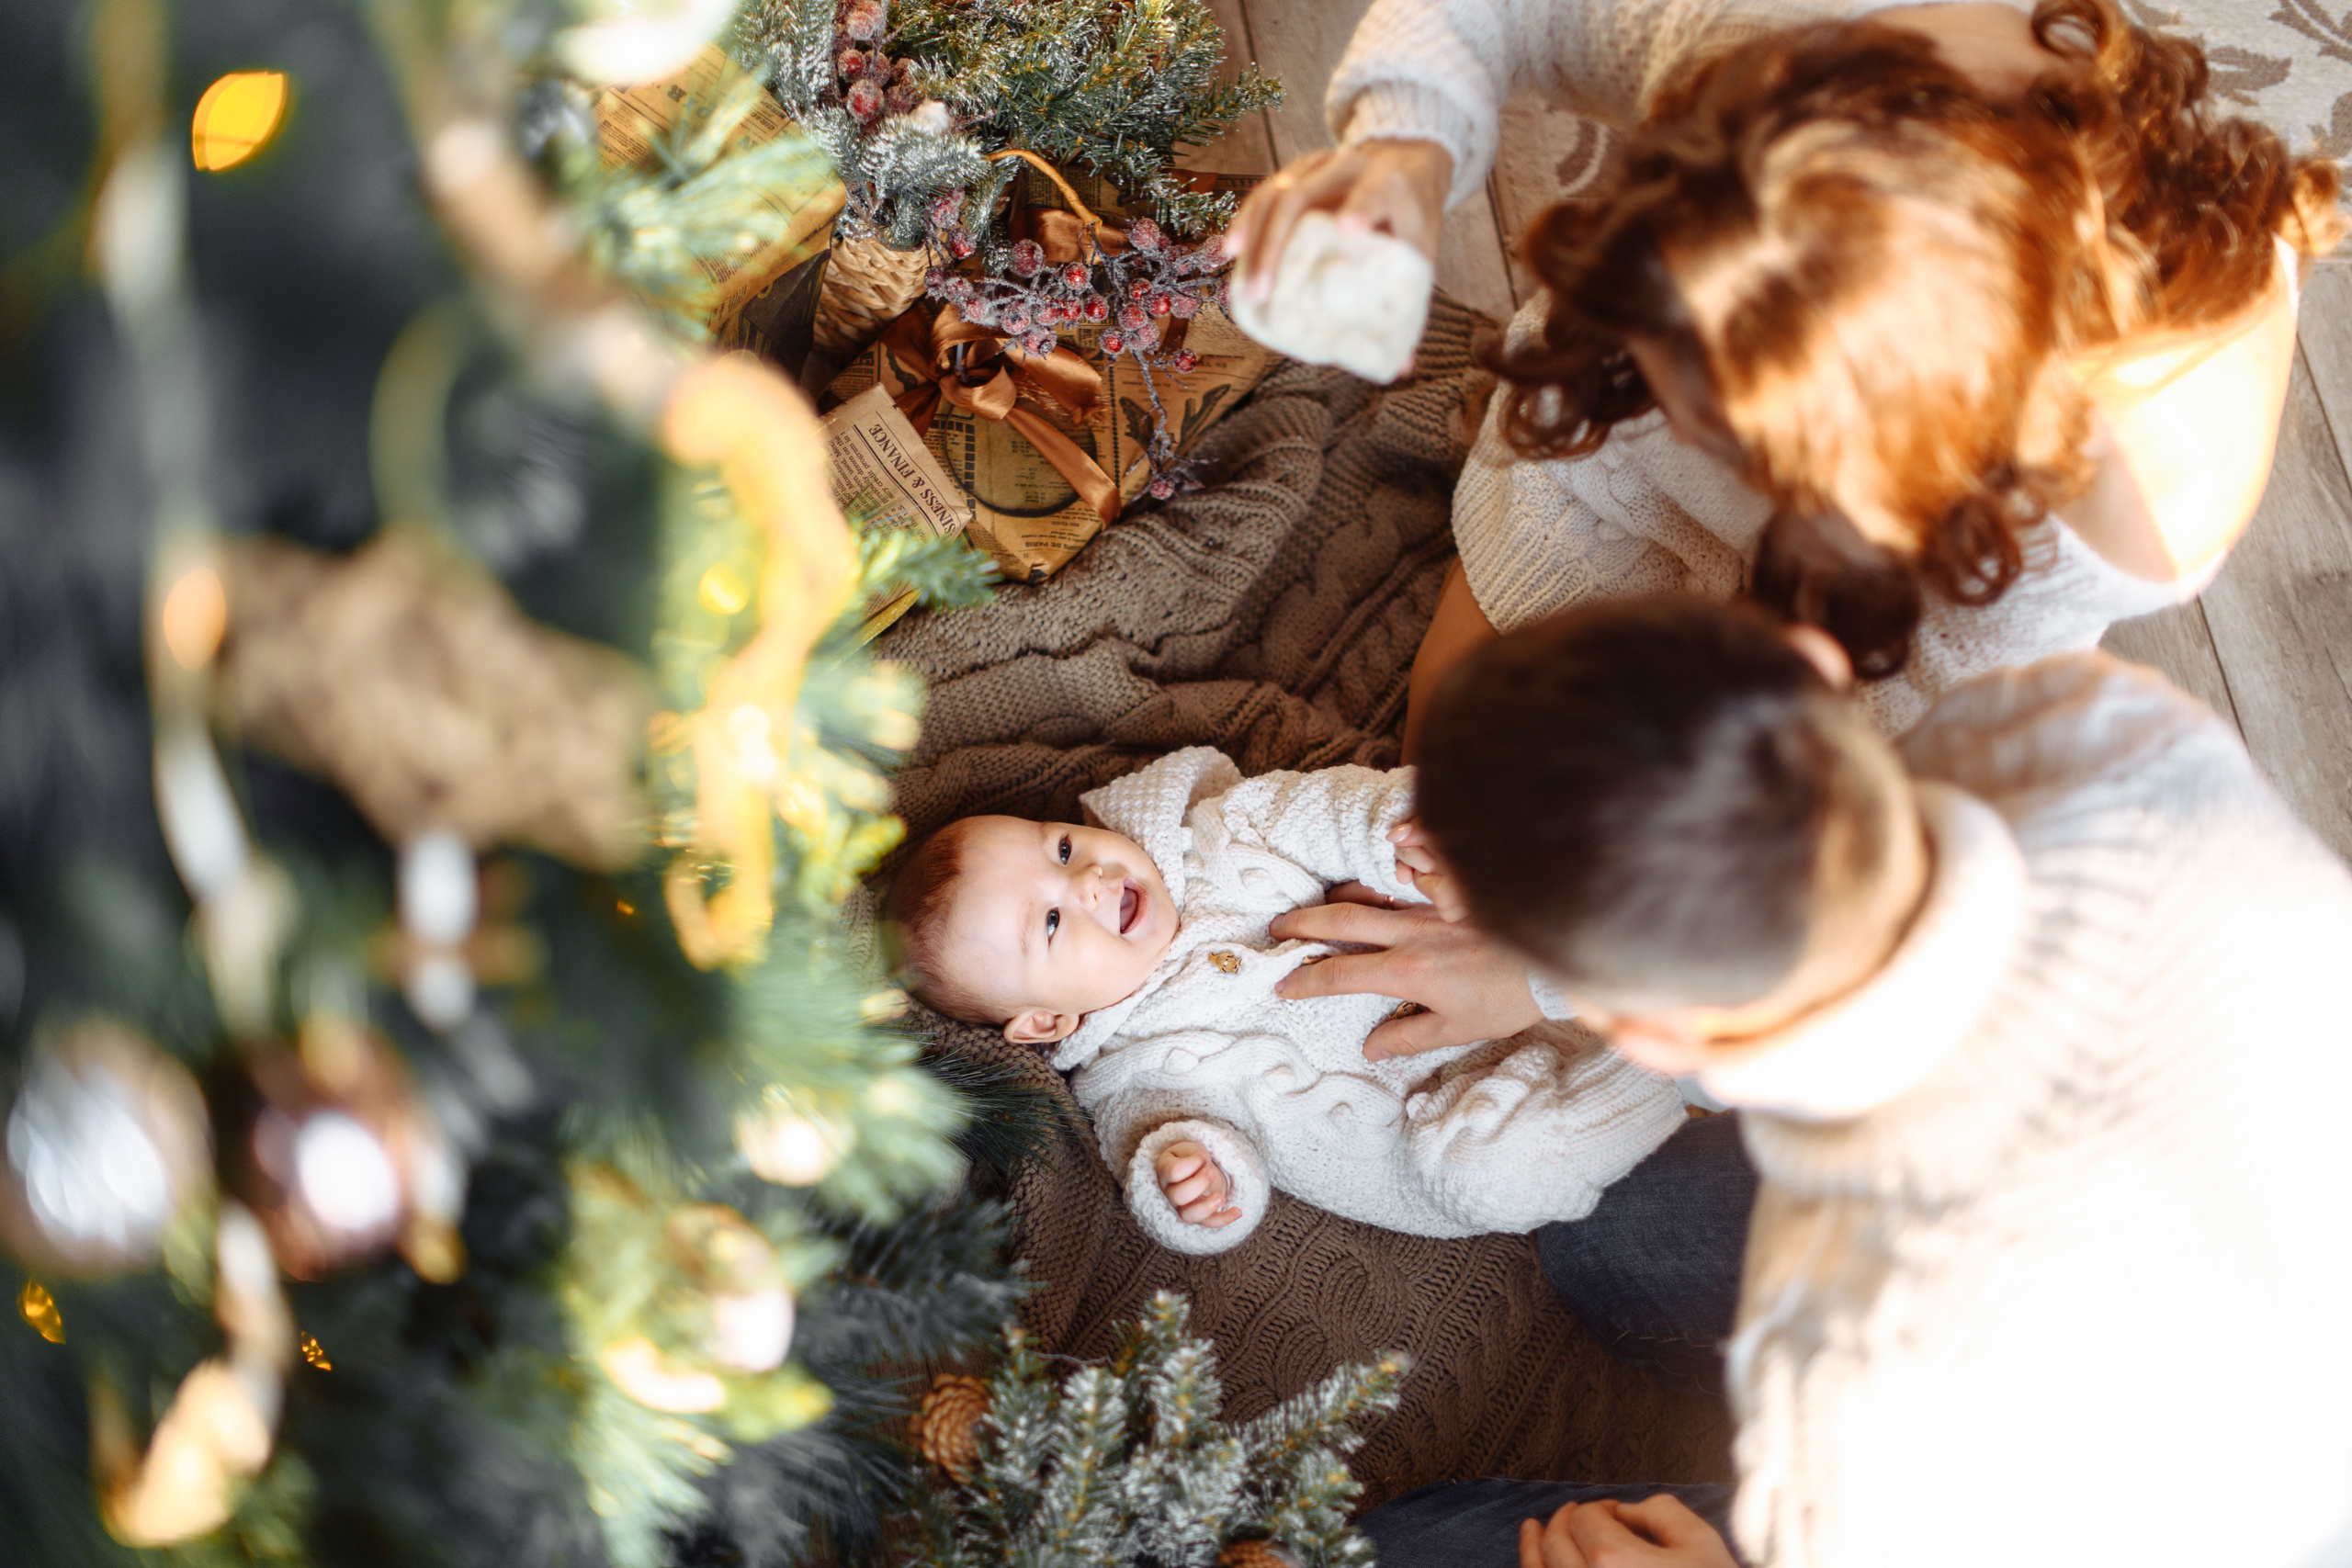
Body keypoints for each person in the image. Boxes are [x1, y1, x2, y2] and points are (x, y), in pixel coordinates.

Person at [1346, 595, 2352, 1567]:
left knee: (1398, 1550)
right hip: (2277, 1221)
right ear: (1811, 666)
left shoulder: (1853, 1380)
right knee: (1611, 1228)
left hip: (2203, 1519)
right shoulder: (2083, 725)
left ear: (1652, 1037)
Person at [1227, 0, 2340, 752]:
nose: (1664, 420)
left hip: (1892, 623)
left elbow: (1890, 806)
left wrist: (1526, 978)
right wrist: (1403, 150)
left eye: (1713, 427)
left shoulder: (2124, 507)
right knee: (1454, 744)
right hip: (1753, 472)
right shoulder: (1804, 64)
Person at [883, 749, 1685, 1256]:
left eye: (1060, 847)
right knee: (1490, 1181)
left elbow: (1323, 810)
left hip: (1516, 940)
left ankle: (1666, 925)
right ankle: (1656, 1063)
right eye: (1052, 921)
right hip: (1462, 1119)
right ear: (1047, 1021)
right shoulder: (1125, 1080)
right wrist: (1195, 1184)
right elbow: (1181, 1163)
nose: (1087, 878)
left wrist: (1393, 835)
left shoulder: (1210, 836)